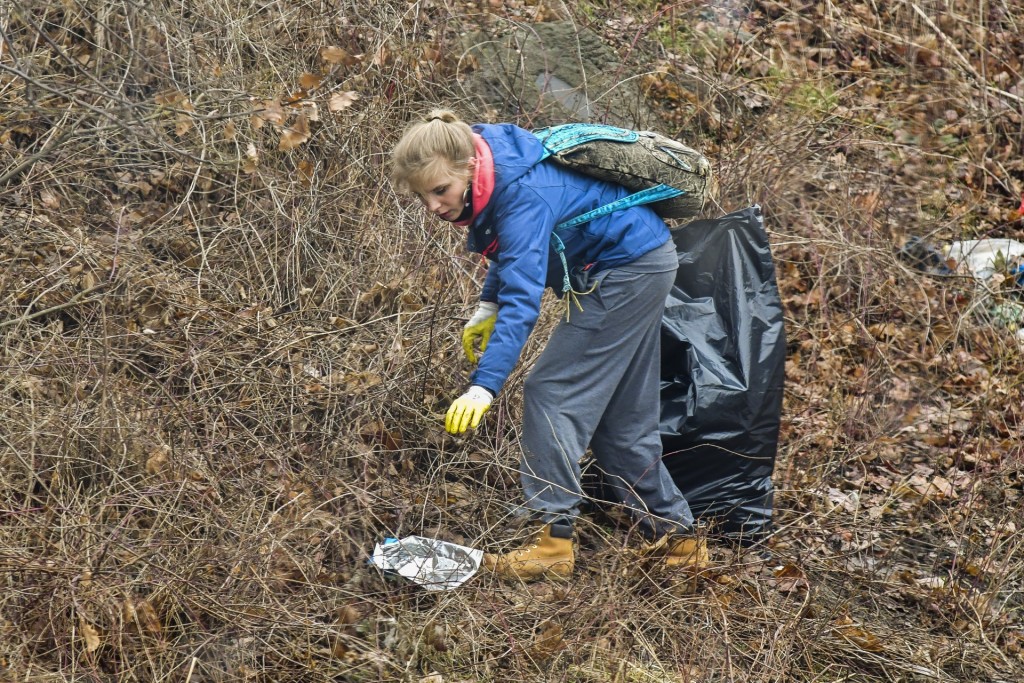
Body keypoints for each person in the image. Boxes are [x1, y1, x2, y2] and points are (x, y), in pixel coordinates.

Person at [390, 108, 708, 581]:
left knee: (551, 392)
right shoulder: (500, 163)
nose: (434, 205)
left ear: (469, 167)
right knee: (619, 418)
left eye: (440, 191)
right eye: (423, 197)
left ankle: (552, 542)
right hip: (642, 263)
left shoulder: (520, 193)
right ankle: (680, 542)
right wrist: (487, 305)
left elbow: (524, 296)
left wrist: (484, 387)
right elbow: (515, 248)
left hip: (625, 272)